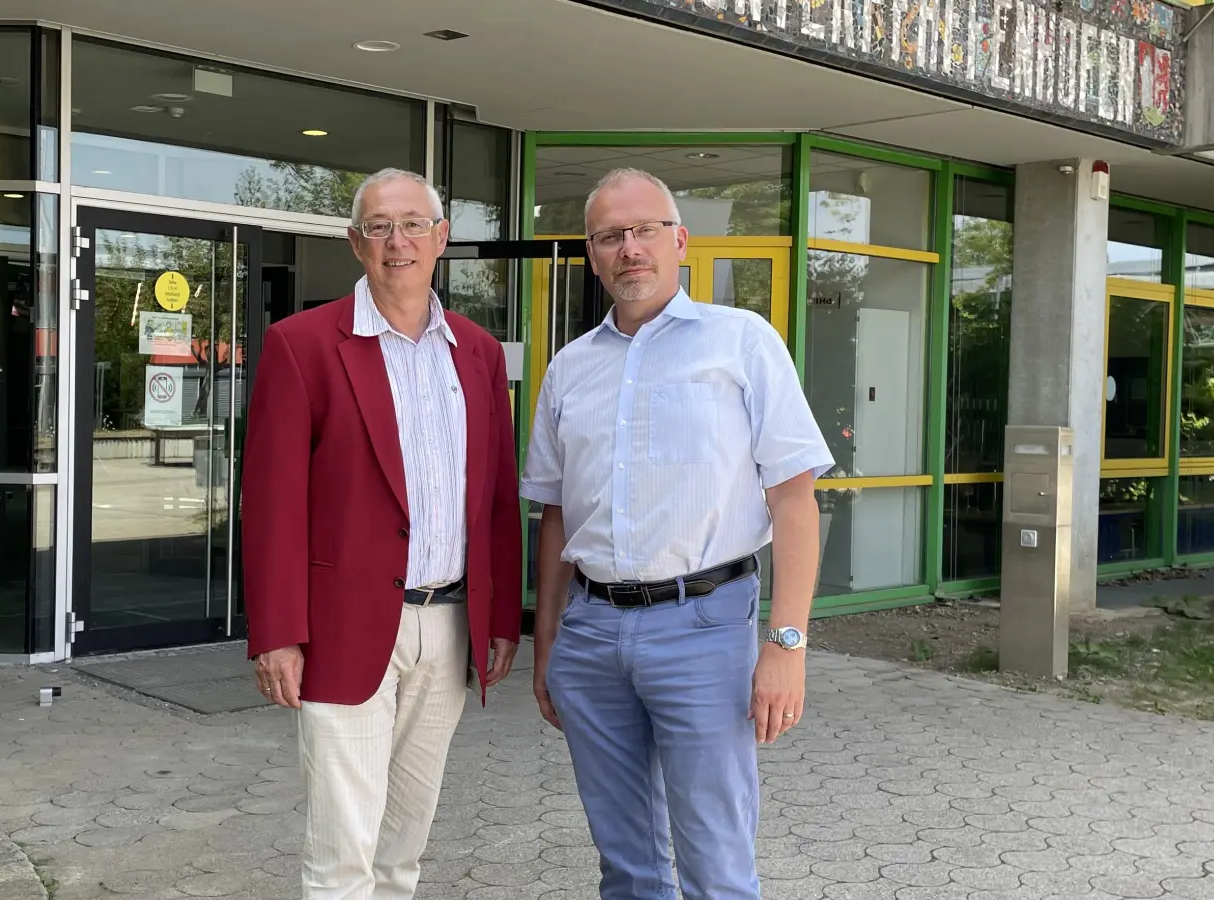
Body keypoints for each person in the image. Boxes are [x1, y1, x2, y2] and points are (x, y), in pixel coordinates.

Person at [520, 168, 832, 899]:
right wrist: (547, 647)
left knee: (715, 865)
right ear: (592, 254)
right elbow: (556, 513)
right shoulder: (570, 369)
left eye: (644, 230)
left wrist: (787, 646)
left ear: (680, 241)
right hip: (591, 636)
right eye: (610, 236)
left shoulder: (742, 342)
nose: (630, 248)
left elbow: (794, 499)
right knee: (626, 865)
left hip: (705, 627)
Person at [240, 167, 523, 900]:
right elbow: (271, 501)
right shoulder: (302, 344)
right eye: (379, 226)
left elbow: (496, 496)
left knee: (405, 844)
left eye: (413, 224)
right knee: (342, 852)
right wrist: (276, 632)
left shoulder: (479, 353)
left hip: (452, 622)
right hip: (343, 627)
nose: (398, 240)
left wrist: (502, 617)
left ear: (442, 238)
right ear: (355, 243)